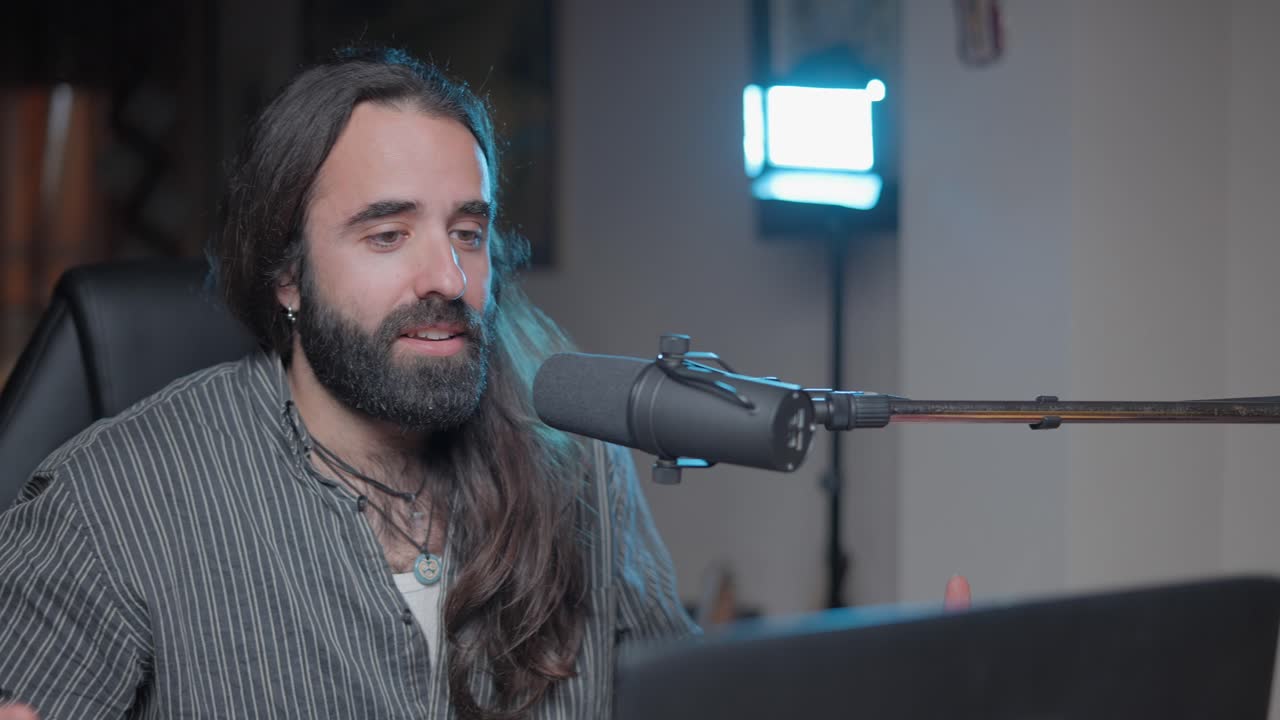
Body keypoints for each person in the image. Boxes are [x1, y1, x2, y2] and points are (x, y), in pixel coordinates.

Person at [0, 48, 696, 719]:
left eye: (467, 233)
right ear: (287, 274)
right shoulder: (112, 502)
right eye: (388, 235)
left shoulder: (578, 464)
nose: (448, 280)